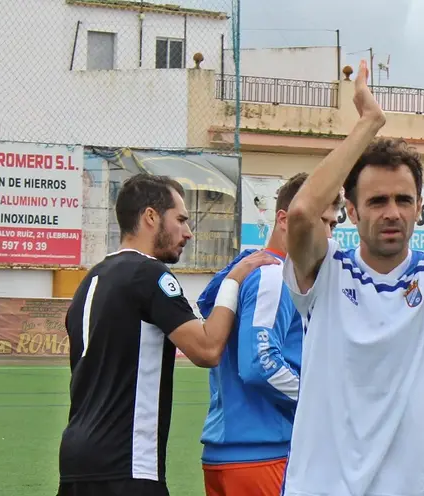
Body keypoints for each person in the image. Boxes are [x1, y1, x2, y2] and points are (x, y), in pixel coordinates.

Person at [280, 27, 424, 496]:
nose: (392, 212)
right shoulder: (325, 269)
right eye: (377, 201)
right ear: (351, 212)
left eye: (404, 200)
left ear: (419, 209)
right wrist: (368, 124)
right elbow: (303, 213)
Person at [57, 173, 278, 496]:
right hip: (126, 463)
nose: (188, 232)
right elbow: (207, 349)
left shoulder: (92, 279)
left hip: (76, 462)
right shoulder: (148, 273)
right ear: (151, 216)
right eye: (181, 220)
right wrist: (234, 280)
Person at [194, 173, 342, 496]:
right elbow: (259, 364)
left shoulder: (247, 269)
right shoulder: (274, 275)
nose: (328, 235)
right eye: (321, 221)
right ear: (284, 220)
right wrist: (317, 400)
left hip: (230, 452)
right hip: (261, 454)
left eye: (333, 224)